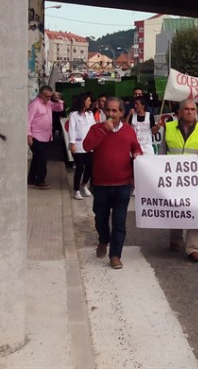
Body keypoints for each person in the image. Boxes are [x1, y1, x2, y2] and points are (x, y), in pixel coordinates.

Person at [83, 97, 143, 269]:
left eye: (114, 111)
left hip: (122, 184)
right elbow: (87, 146)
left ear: (122, 113)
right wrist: (103, 130)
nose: (110, 114)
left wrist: (138, 153)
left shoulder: (129, 131)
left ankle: (115, 255)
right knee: (100, 218)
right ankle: (103, 239)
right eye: (108, 110)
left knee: (119, 221)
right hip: (101, 184)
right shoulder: (96, 128)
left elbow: (135, 147)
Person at [160, 99, 198, 262]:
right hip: (174, 178)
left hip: (195, 179)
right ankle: (175, 239)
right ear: (180, 112)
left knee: (194, 210)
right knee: (175, 209)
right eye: (187, 109)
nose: (190, 112)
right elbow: (162, 152)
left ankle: (193, 248)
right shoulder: (168, 128)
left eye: (193, 109)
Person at [27, 86, 64, 189]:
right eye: (47, 96)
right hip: (36, 136)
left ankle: (31, 180)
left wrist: (57, 99)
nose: (48, 98)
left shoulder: (48, 103)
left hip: (46, 136)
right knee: (41, 160)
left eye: (50, 96)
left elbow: (59, 108)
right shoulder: (35, 105)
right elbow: (28, 121)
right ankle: (40, 181)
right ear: (41, 94)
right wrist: (28, 135)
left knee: (36, 159)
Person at [68, 92, 95, 200]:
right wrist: (72, 143)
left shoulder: (90, 114)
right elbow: (71, 130)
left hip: (89, 145)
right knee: (80, 167)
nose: (90, 102)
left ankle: (84, 185)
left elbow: (94, 128)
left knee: (90, 166)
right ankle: (76, 190)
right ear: (83, 101)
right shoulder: (74, 115)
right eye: (88, 100)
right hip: (78, 145)